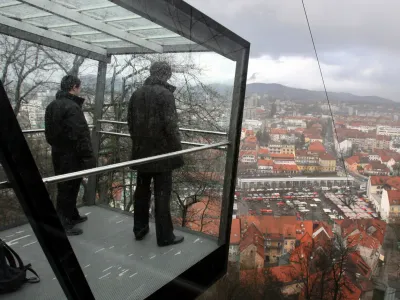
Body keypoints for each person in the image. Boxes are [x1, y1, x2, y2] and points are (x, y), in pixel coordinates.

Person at [127, 61, 184, 247]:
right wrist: (177, 150)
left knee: (142, 191)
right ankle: (165, 235)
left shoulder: (137, 93)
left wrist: (138, 143)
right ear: (166, 74)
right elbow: (171, 126)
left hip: (141, 152)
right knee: (162, 194)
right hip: (162, 155)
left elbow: (131, 123)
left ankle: (140, 229)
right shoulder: (165, 94)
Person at [44, 75, 95, 236]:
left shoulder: (52, 106)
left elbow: (50, 134)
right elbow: (81, 134)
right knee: (69, 187)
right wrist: (87, 156)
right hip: (72, 155)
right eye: (79, 87)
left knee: (65, 186)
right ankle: (64, 222)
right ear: (74, 87)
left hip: (59, 153)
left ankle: (71, 215)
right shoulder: (72, 107)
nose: (80, 90)